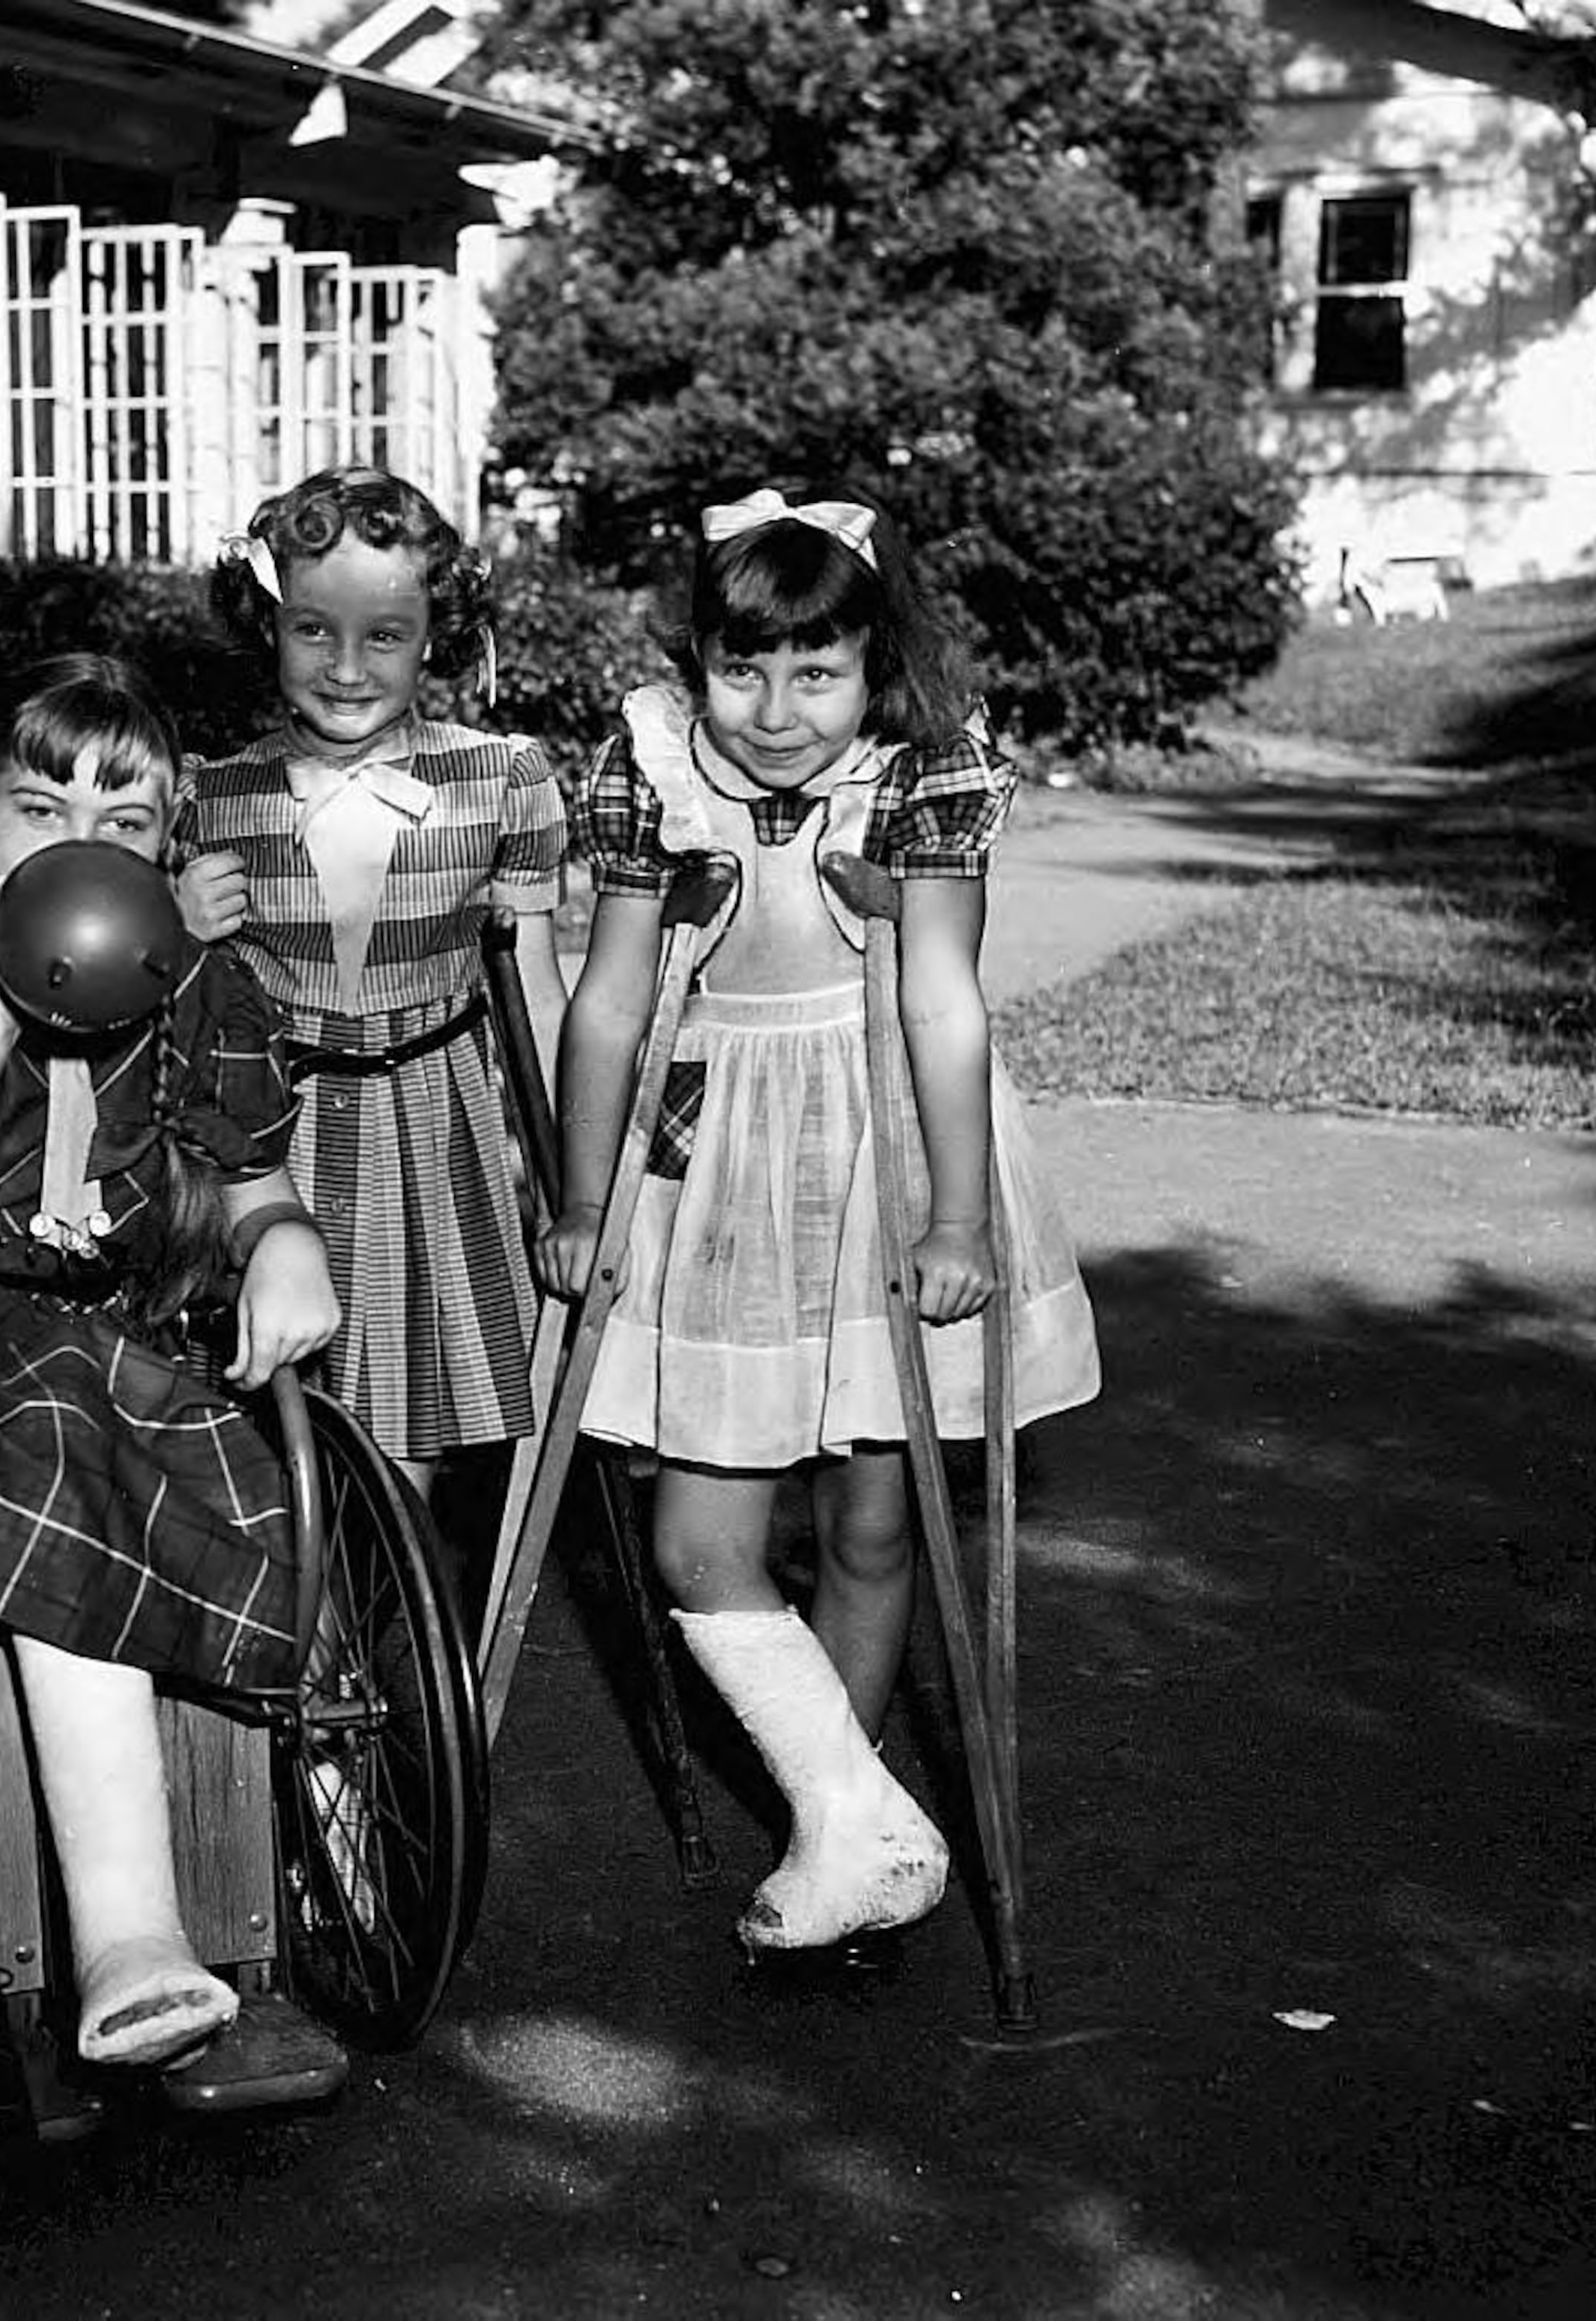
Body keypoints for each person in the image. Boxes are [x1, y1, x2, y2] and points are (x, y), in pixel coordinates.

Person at [0, 654, 342, 2155]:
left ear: (166, 853)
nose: (80, 846)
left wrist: (283, 1242)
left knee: (69, 1398)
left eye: (128, 819)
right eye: (40, 806)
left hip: (123, 1345)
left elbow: (257, 1186)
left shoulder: (207, 985)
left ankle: (140, 1934)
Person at [536, 488, 1101, 1955]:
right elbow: (606, 1001)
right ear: (698, 655)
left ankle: (825, 1837)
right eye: (745, 669)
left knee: (870, 1513)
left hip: (883, 1137)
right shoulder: (650, 759)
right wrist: (583, 1197)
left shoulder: (924, 764)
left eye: (816, 672)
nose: (777, 710)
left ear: (872, 661)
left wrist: (963, 1213)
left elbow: (943, 993)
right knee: (698, 1538)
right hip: (707, 1140)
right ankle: (860, 1814)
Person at [178, 466, 568, 1493]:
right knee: (254, 1447)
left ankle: (382, 1647)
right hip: (270, 1138)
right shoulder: (209, 798)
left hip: (426, 1137)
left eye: (384, 635)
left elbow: (545, 1004)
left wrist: (577, 1192)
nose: (347, 667)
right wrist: (176, 929)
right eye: (314, 630)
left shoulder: (501, 782)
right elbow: (158, 1007)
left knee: (401, 1463)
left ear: (434, 633)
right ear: (270, 626)